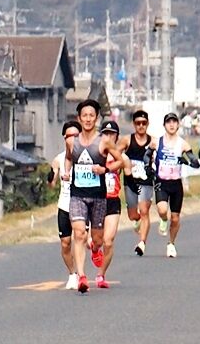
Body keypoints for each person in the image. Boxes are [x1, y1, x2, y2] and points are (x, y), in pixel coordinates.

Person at [63, 99, 123, 293]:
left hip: (98, 196)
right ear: (79, 118)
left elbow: (120, 161)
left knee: (97, 240)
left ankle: (95, 251)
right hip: (77, 195)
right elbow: (68, 158)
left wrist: (104, 169)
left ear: (96, 118)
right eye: (84, 115)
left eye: (91, 115)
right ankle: (82, 276)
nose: (88, 119)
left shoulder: (104, 141)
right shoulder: (71, 141)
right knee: (79, 233)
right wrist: (66, 171)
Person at [151, 112, 200, 257]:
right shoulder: (157, 142)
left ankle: (171, 243)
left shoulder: (183, 144)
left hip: (176, 184)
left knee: (175, 217)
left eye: (174, 122)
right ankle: (163, 219)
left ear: (178, 125)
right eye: (169, 122)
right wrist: (149, 168)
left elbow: (194, 162)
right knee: (162, 210)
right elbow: (147, 155)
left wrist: (188, 161)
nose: (171, 125)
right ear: (164, 125)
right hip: (161, 181)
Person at [48, 120, 83, 290]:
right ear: (64, 137)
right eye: (70, 136)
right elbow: (52, 182)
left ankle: (81, 273)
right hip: (64, 204)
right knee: (65, 242)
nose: (73, 139)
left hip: (82, 203)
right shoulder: (59, 159)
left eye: (77, 135)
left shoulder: (87, 156)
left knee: (81, 238)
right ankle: (72, 274)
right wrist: (52, 178)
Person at [96, 120, 130, 288]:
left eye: (112, 134)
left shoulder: (122, 157)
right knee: (95, 241)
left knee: (108, 241)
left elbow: (129, 175)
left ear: (117, 137)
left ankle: (101, 275)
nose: (109, 137)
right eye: (106, 133)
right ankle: (95, 249)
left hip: (113, 201)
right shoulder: (96, 153)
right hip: (96, 199)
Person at [116, 109, 155, 257]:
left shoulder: (153, 141)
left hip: (146, 181)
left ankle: (142, 243)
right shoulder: (127, 140)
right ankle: (137, 220)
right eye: (138, 123)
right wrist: (120, 164)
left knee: (144, 210)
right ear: (134, 124)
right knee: (133, 214)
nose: (141, 126)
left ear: (147, 124)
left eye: (143, 123)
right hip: (130, 181)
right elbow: (115, 154)